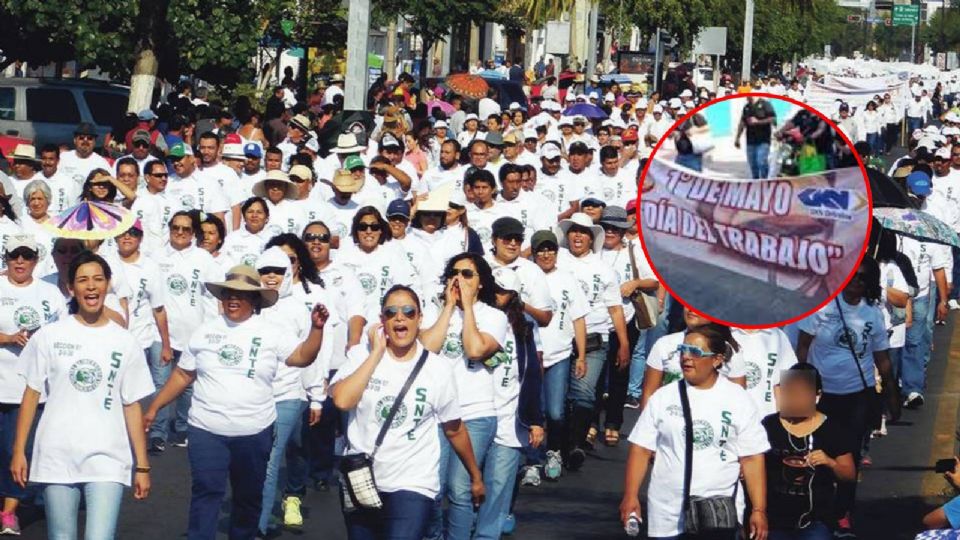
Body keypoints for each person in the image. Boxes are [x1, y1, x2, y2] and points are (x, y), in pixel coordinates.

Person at [143, 265, 329, 539]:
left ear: (254, 300)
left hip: (254, 432)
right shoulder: (205, 332)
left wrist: (316, 329)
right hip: (206, 429)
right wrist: (155, 407)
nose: (233, 299)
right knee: (206, 492)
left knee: (248, 498)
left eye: (241, 295)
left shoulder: (270, 332)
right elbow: (183, 374)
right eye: (228, 293)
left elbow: (302, 357)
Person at [12, 251, 154, 539]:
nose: (91, 286)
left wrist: (142, 464)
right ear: (71, 288)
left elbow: (132, 404)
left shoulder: (125, 342)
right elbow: (31, 395)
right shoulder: (50, 336)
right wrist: (19, 451)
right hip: (57, 452)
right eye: (83, 280)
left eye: (98, 279)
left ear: (107, 285)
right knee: (61, 536)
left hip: (108, 456)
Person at [331, 285, 484, 539]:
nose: (399, 317)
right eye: (391, 312)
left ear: (419, 319)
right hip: (362, 478)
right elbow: (342, 401)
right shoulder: (362, 355)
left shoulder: (437, 369)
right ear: (382, 321)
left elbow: (454, 429)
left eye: (408, 311)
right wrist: (377, 353)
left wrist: (475, 476)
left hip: (413, 482)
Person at [620, 323, 770, 540]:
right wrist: (631, 495)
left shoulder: (738, 398)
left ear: (717, 359)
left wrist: (758, 510)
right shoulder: (664, 397)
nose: (686, 357)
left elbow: (752, 457)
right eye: (683, 350)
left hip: (717, 514)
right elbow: (641, 449)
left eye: (695, 352)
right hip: (667, 513)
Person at [796, 255, 901, 538]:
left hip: (856, 396)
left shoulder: (873, 314)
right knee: (815, 455)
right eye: (853, 275)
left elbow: (882, 358)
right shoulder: (822, 306)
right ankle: (815, 510)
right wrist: (802, 386)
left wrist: (892, 394)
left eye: (863, 278)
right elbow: (802, 346)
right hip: (821, 396)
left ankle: (842, 514)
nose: (856, 281)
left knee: (848, 458)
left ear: (870, 283)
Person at [420, 253, 509, 540]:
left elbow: (474, 349)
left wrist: (468, 307)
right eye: (454, 273)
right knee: (432, 487)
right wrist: (449, 307)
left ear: (481, 282)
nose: (459, 279)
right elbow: (427, 349)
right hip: (436, 412)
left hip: (475, 413)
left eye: (468, 274)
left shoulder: (494, 317)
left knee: (460, 488)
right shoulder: (434, 312)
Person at [0, 234, 66, 535]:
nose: (20, 262)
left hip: (28, 388)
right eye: (15, 256)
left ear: (36, 260)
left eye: (27, 256)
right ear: (7, 258)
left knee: (18, 448)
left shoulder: (49, 292)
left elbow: (60, 332)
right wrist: (9, 338)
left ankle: (10, 511)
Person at [555, 213, 630, 470]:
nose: (577, 236)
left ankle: (575, 445)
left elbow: (615, 309)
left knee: (584, 394)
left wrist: (623, 343)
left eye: (583, 232)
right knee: (559, 397)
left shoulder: (603, 269)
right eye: (573, 231)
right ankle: (558, 444)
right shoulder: (556, 259)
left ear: (591, 239)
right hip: (559, 337)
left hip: (595, 337)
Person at [474, 268, 544, 537]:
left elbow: (532, 376)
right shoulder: (475, 319)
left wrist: (535, 420)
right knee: (468, 483)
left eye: (503, 291)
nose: (497, 295)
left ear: (514, 295)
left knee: (499, 482)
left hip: (509, 419)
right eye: (494, 288)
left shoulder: (523, 327)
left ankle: (486, 534)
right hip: (475, 414)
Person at [152, 211, 222, 449]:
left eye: (186, 229)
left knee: (187, 385)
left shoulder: (203, 258)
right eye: (176, 228)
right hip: (160, 333)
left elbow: (216, 294)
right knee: (160, 383)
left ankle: (182, 428)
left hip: (194, 332)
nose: (180, 233)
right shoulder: (157, 256)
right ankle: (157, 432)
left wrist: (217, 325)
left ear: (193, 233)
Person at [763, 363, 856, 540]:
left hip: (816, 520)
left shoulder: (833, 429)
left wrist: (830, 462)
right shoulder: (769, 426)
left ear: (817, 396)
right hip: (774, 520)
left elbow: (849, 475)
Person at [735, 96, 777, 179]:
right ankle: (756, 181)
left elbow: (773, 119)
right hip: (750, 140)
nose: (747, 97)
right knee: (752, 164)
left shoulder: (765, 104)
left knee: (761, 161)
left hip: (763, 139)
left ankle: (765, 180)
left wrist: (758, 122)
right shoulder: (746, 107)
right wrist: (737, 138)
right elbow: (742, 123)